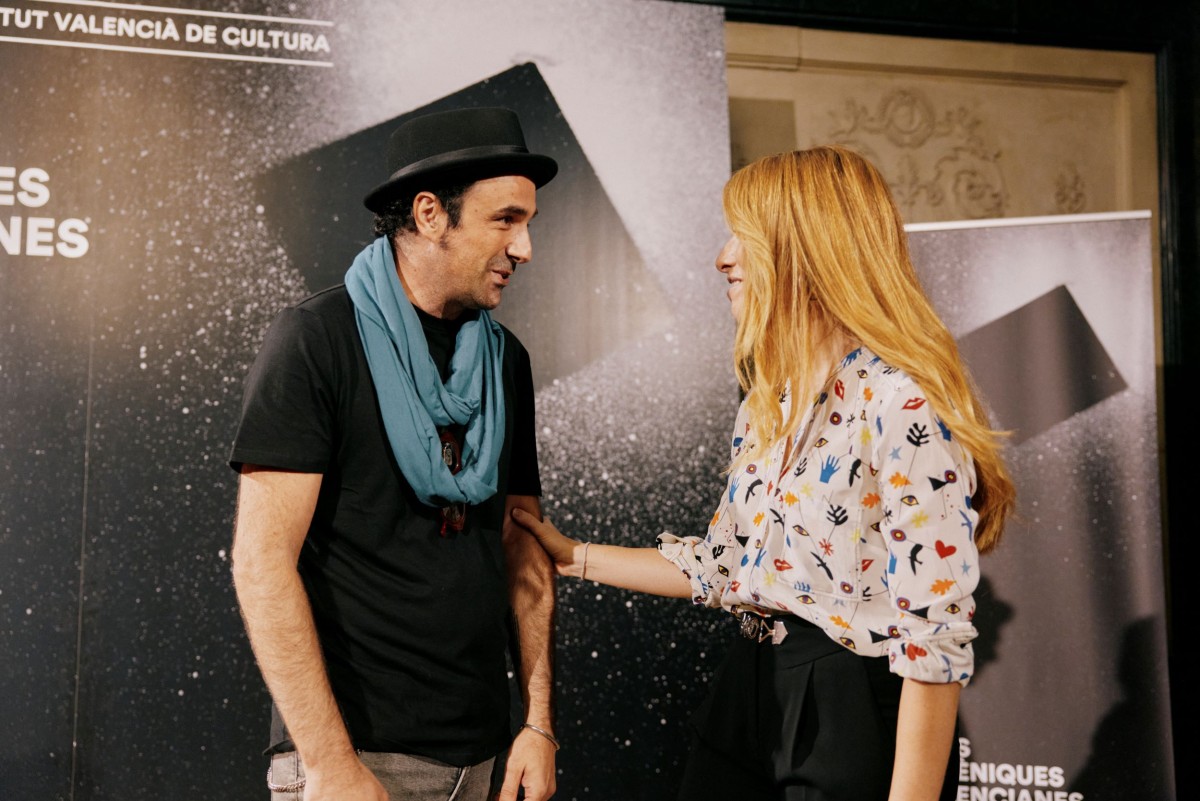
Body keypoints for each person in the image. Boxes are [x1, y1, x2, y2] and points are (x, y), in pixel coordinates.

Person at [513, 146, 1015, 801]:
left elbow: (934, 640)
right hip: (747, 687)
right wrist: (574, 557)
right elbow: (725, 566)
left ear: (808, 250)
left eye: (744, 237)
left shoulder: (902, 403)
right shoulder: (765, 402)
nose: (723, 258)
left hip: (845, 706)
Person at [230, 107, 560, 801]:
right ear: (430, 213)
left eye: (528, 222)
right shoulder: (316, 339)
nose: (525, 247)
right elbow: (261, 564)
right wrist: (329, 764)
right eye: (505, 220)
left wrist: (538, 723)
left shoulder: (506, 361)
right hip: (356, 757)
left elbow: (523, 548)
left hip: (482, 757)